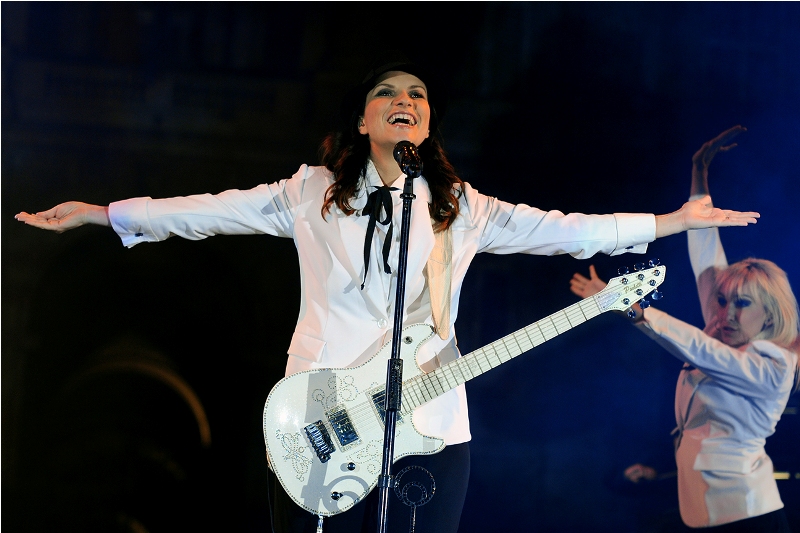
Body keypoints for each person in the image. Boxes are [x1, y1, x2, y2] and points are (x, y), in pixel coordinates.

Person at [16, 52, 761, 533]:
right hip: (322, 415)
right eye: (388, 92)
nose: (406, 99)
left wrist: (670, 222)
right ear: (364, 118)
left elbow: (565, 229)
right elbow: (209, 211)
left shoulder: (461, 207)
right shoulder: (310, 194)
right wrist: (106, 214)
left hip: (431, 424)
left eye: (418, 95)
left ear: (426, 122)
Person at [570, 126, 798, 532]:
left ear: (768, 315)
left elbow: (702, 351)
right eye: (722, 301)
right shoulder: (720, 327)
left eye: (742, 304)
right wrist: (699, 175)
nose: (726, 312)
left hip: (749, 515)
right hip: (704, 514)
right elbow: (707, 254)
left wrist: (634, 309)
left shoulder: (774, 364)